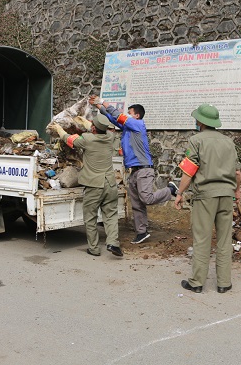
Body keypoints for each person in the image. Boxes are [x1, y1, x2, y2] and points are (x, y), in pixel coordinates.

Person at [90, 96, 177, 244]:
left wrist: (102, 101)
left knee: (146, 198)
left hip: (144, 169)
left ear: (136, 115)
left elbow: (117, 115)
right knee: (137, 204)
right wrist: (99, 107)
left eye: (129, 113)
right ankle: (141, 232)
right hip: (134, 171)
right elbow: (112, 118)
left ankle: (170, 190)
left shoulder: (138, 124)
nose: (126, 115)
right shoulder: (127, 127)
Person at [174, 104, 241, 294]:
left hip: (205, 196)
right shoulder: (229, 142)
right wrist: (237, 192)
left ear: (200, 122)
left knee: (202, 238)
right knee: (224, 238)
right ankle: (224, 283)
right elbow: (237, 173)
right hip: (227, 195)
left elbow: (189, 171)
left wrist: (179, 193)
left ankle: (196, 283)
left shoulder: (196, 141)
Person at [48, 114, 123, 257]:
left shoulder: (88, 139)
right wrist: (87, 122)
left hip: (94, 185)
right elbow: (100, 130)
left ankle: (94, 248)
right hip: (110, 184)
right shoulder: (110, 138)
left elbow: (69, 139)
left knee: (90, 217)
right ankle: (113, 242)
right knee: (111, 215)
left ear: (93, 129)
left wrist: (59, 129)